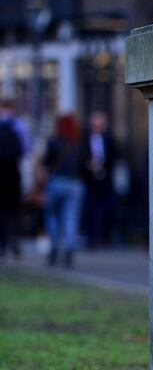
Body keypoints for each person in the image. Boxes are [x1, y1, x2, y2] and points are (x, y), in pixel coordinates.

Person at [44, 114, 84, 267]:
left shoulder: (53, 142)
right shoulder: (78, 144)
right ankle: (69, 249)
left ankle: (54, 245)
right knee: (70, 218)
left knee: (52, 216)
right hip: (74, 184)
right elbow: (83, 164)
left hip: (56, 182)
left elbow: (47, 162)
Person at [0, 99, 29, 258]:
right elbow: (26, 149)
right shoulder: (19, 126)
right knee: (13, 210)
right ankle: (14, 242)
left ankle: (3, 245)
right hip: (13, 173)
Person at [83, 111, 116, 248]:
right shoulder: (85, 139)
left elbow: (114, 157)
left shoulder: (109, 139)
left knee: (105, 208)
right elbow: (82, 156)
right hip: (90, 180)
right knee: (90, 208)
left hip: (105, 179)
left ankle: (104, 236)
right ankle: (91, 238)